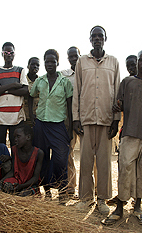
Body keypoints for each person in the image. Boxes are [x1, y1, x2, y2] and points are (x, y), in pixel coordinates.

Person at [103, 50, 142, 226]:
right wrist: (118, 107)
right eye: (141, 60)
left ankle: (137, 207)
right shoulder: (127, 82)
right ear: (137, 62)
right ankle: (120, 207)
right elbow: (121, 104)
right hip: (129, 133)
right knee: (125, 169)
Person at [72, 26, 120, 214]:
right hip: (86, 118)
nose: (97, 38)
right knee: (85, 161)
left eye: (100, 36)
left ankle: (102, 199)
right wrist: (76, 118)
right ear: (90, 39)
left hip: (106, 119)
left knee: (104, 162)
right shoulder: (82, 62)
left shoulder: (113, 62)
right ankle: (86, 198)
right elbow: (77, 90)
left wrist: (116, 120)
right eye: (94, 36)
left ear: (105, 38)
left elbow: (117, 91)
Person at [31, 49, 74, 203]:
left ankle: (62, 191)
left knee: (61, 159)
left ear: (57, 63)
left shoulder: (64, 82)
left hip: (58, 125)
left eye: (52, 61)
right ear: (44, 63)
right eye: (47, 62)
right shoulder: (40, 81)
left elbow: (70, 106)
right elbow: (31, 96)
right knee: (42, 158)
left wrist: (70, 128)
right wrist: (31, 115)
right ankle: (47, 191)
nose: (50, 64)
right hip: (41, 125)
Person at [0, 42, 29, 146]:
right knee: (0, 147)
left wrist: (3, 91)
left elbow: (25, 90)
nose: (9, 55)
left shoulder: (20, 70)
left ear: (14, 54)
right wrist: (13, 85)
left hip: (16, 118)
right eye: (6, 52)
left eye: (11, 52)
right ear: (2, 54)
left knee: (16, 147)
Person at [0, 123, 44, 197]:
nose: (15, 140)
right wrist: (0, 182)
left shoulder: (38, 153)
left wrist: (21, 186)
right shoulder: (14, 150)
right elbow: (13, 171)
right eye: (14, 137)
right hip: (17, 181)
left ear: (28, 137)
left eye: (18, 137)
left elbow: (35, 178)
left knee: (25, 194)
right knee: (6, 186)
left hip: (29, 184)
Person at [61, 47, 80, 200]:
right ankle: (71, 186)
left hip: (85, 117)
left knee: (90, 155)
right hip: (68, 119)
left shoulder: (87, 73)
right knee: (69, 153)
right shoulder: (63, 75)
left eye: (76, 56)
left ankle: (94, 190)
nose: (74, 58)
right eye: (71, 56)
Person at [22, 57, 40, 126]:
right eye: (33, 64)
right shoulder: (22, 80)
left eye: (37, 65)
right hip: (24, 116)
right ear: (28, 66)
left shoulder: (42, 81)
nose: (35, 66)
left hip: (38, 117)